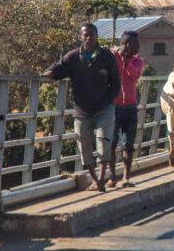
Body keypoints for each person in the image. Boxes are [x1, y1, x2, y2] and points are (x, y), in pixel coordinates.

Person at [42, 23, 120, 192]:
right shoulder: (73, 57)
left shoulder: (107, 56)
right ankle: (95, 180)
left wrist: (112, 100)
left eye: (92, 35)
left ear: (97, 36)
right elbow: (59, 67)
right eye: (86, 35)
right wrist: (50, 72)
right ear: (80, 37)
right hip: (82, 110)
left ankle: (101, 178)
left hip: (104, 108)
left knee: (103, 142)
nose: (89, 38)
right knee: (84, 146)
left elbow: (116, 80)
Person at [106, 31, 144, 188]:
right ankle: (112, 177)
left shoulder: (137, 61)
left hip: (131, 106)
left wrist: (126, 62)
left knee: (128, 144)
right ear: (127, 44)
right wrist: (118, 56)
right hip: (114, 107)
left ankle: (126, 177)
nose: (139, 47)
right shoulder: (111, 57)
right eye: (136, 44)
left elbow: (135, 76)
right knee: (112, 143)